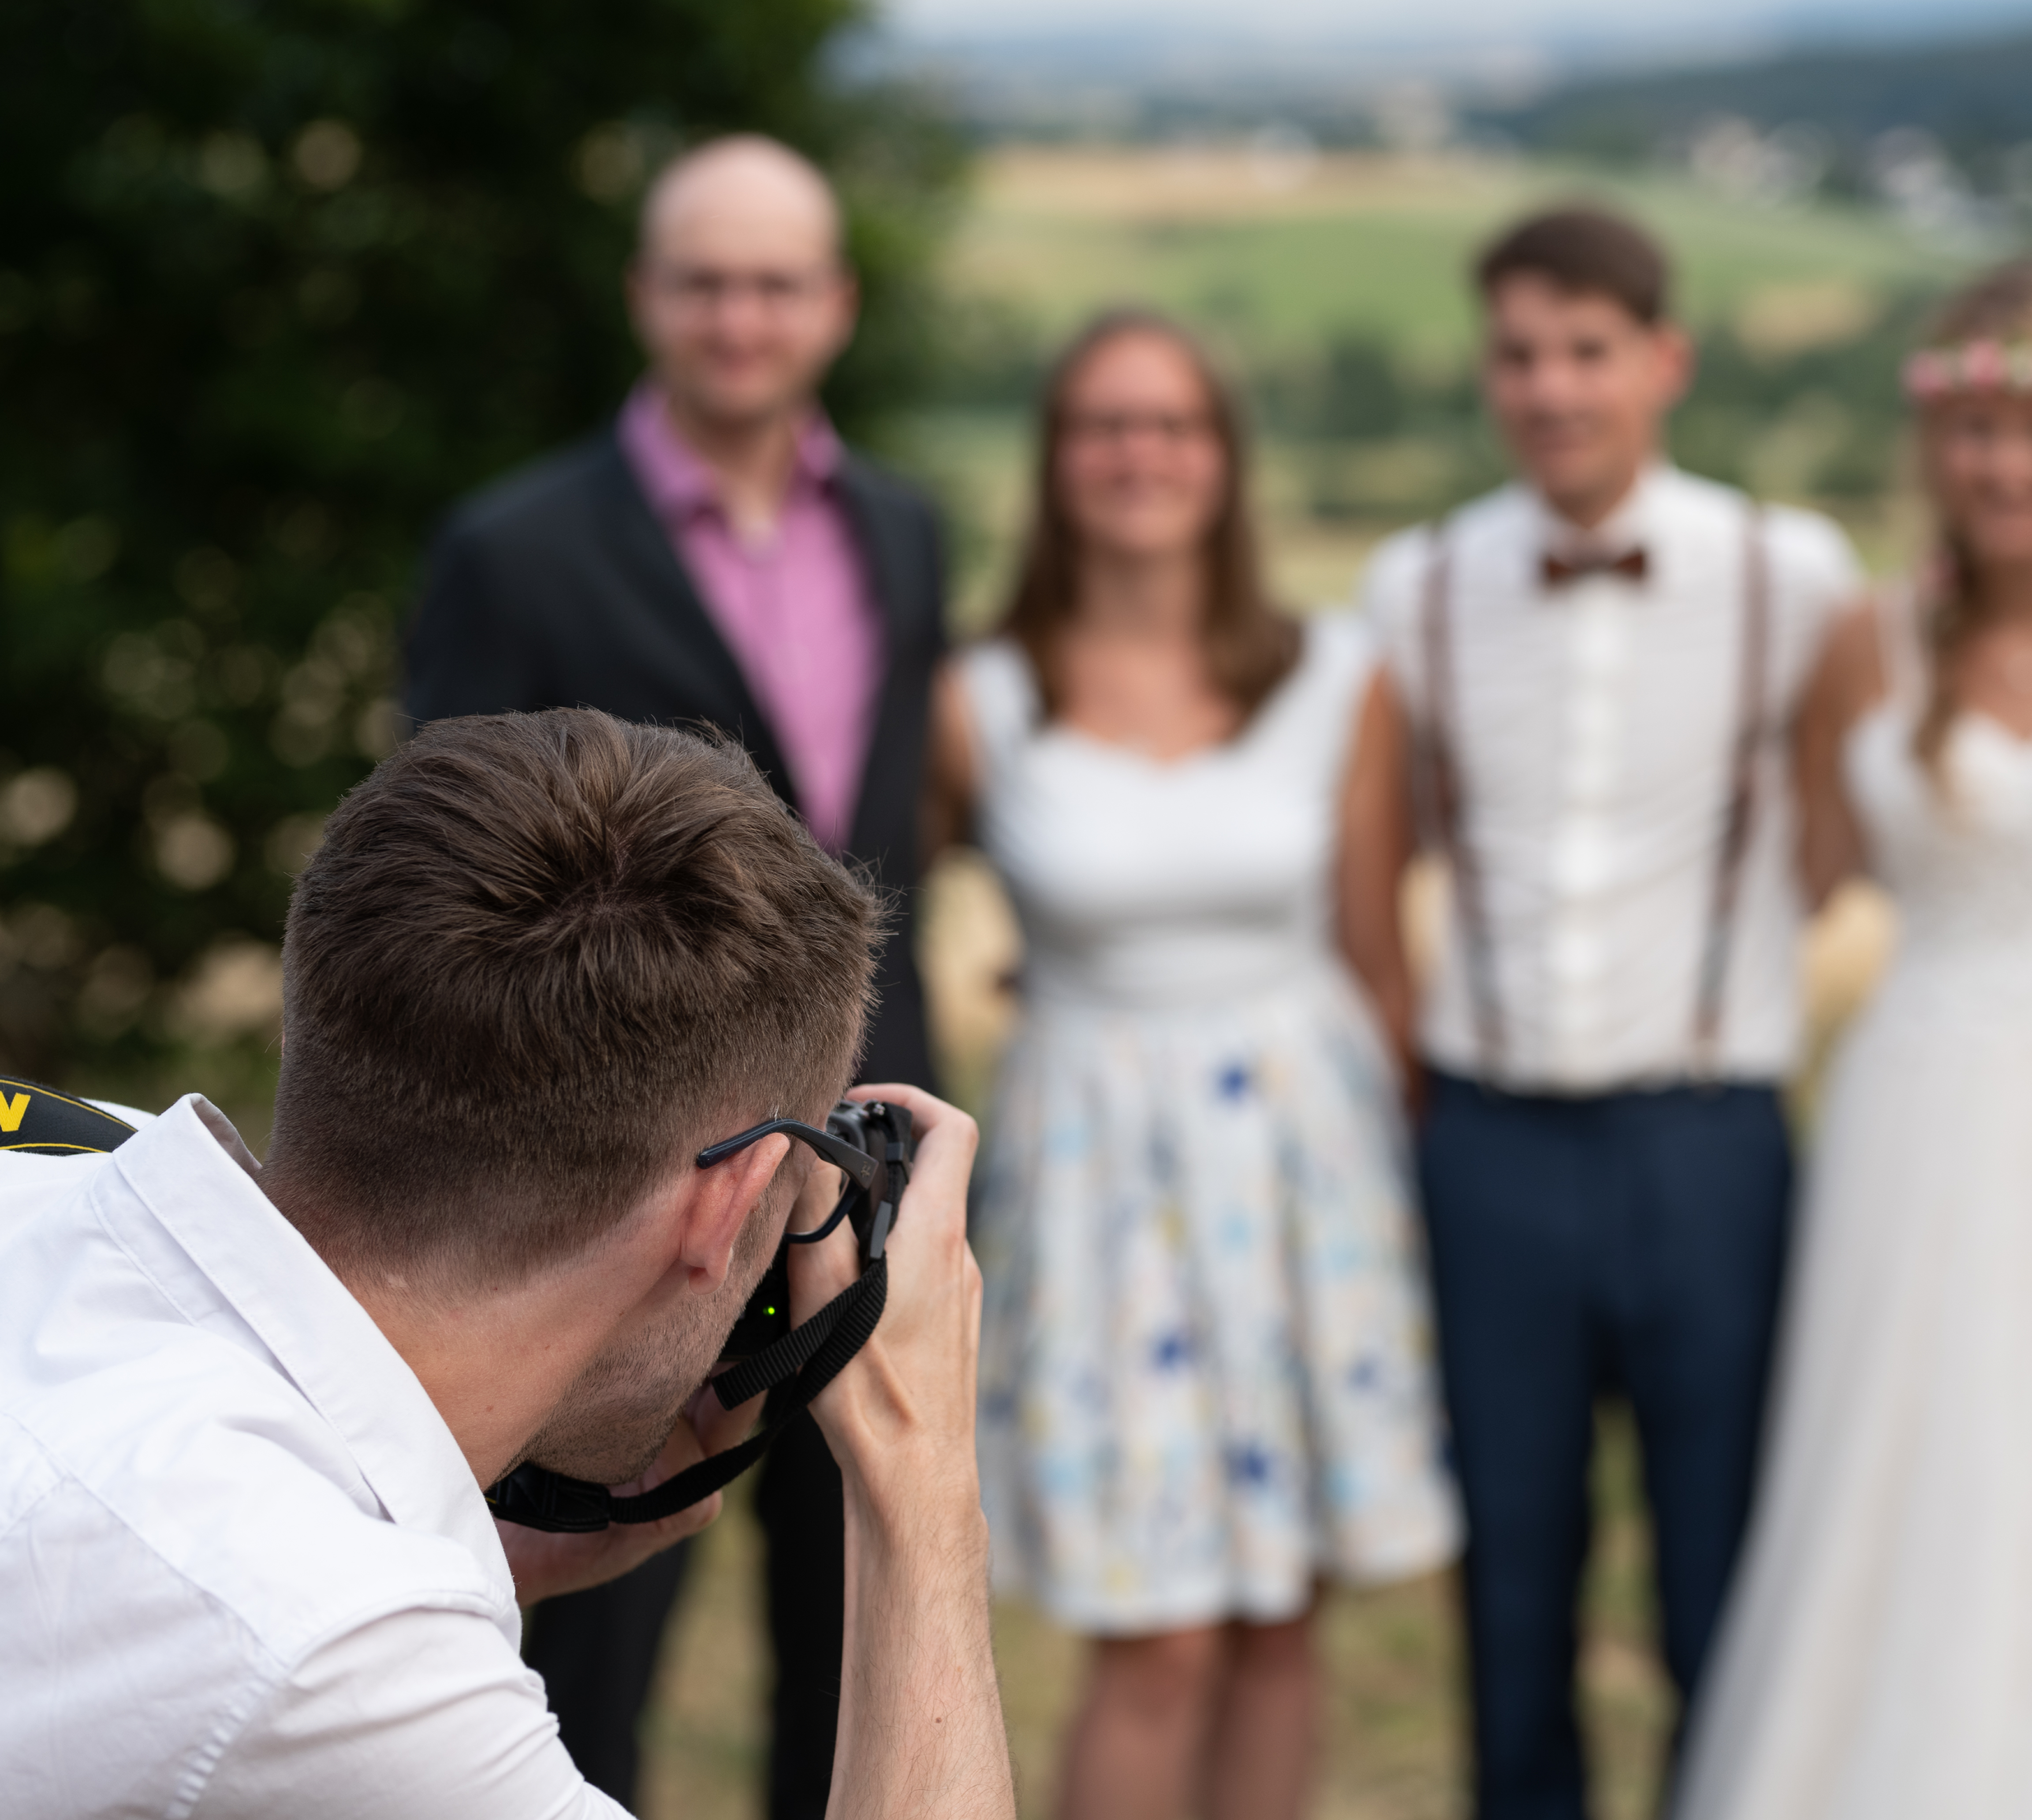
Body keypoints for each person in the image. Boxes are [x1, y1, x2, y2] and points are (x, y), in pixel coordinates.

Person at [0, 710, 1012, 1820]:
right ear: (725, 1204)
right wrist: (921, 1486)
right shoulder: (325, 1652)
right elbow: (268, 1645)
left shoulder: (60, 1148)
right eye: (797, 1186)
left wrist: (470, 1547)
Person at [403, 135, 947, 1813]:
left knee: (849, 1607)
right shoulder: (514, 551)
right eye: (704, 279)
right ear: (647, 297)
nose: (739, 316)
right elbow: (446, 903)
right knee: (587, 1637)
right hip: (619, 1178)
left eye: (776, 280)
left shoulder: (912, 534)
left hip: (862, 1147)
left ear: (835, 308)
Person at [1673, 257, 2032, 1820]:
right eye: (1980, 429)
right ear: (1935, 440)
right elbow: (1774, 876)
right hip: (1922, 1118)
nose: (2012, 465)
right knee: (1917, 1483)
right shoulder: (1866, 645)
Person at [1353, 207, 1862, 1819]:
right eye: (1519, 354)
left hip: (1708, 1132)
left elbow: (1859, 826)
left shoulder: (1794, 574)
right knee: (1512, 1579)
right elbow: (1374, 856)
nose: (1552, 388)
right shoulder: (1416, 585)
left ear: (1665, 362)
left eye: (1587, 352)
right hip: (1489, 1138)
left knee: (1725, 1571)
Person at [928, 311, 1460, 1820]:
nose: (1137, 454)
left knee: (1283, 1614)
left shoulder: (1335, 678)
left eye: (1171, 424)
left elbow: (1376, 954)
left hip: (1306, 1168)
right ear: (1055, 461)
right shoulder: (982, 699)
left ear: (1224, 459)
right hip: (1099, 1178)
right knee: (1155, 1631)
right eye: (1103, 423)